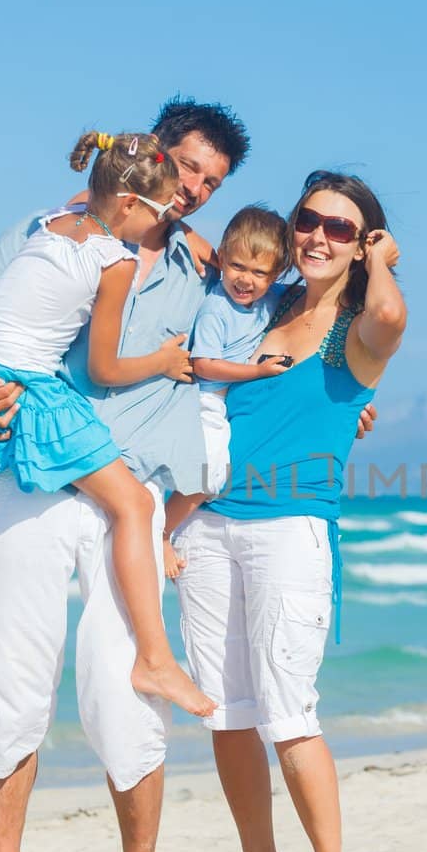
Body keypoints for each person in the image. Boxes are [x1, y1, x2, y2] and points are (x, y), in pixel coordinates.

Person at [0, 97, 252, 852]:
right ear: (151, 155)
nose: (198, 187)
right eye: (189, 166)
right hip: (31, 486)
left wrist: (348, 397)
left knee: (125, 697)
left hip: (129, 494)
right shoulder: (52, 229)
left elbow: (274, 331)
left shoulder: (206, 270)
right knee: (12, 681)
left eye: (213, 179)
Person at [0, 131, 213, 720]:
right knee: (134, 508)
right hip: (26, 389)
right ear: (129, 206)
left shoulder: (47, 225)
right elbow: (104, 367)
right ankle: (157, 660)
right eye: (164, 209)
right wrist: (165, 362)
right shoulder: (115, 260)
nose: (170, 217)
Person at [173, 171, 407, 852]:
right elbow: (197, 252)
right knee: (228, 708)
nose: (319, 235)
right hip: (207, 523)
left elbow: (393, 320)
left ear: (363, 244)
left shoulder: (359, 332)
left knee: (289, 707)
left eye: (343, 228)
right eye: (311, 219)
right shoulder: (260, 301)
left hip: (289, 527)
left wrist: (383, 263)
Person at [158, 204, 295, 579]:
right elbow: (204, 365)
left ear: (277, 273)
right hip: (205, 399)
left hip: (224, 404)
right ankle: (161, 534)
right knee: (211, 476)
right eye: (237, 267)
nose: (245, 280)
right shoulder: (217, 307)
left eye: (259, 272)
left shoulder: (271, 298)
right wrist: (257, 371)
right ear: (222, 257)